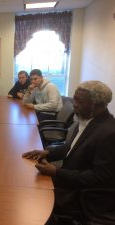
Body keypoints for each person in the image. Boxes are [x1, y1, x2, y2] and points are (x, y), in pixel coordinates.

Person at [22, 81, 115, 224]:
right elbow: (69, 148)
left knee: (30, 197)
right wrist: (46, 153)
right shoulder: (86, 119)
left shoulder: (109, 133)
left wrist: (57, 172)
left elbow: (100, 178)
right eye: (74, 99)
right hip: (68, 179)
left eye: (80, 101)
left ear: (97, 105)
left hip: (80, 193)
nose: (74, 104)